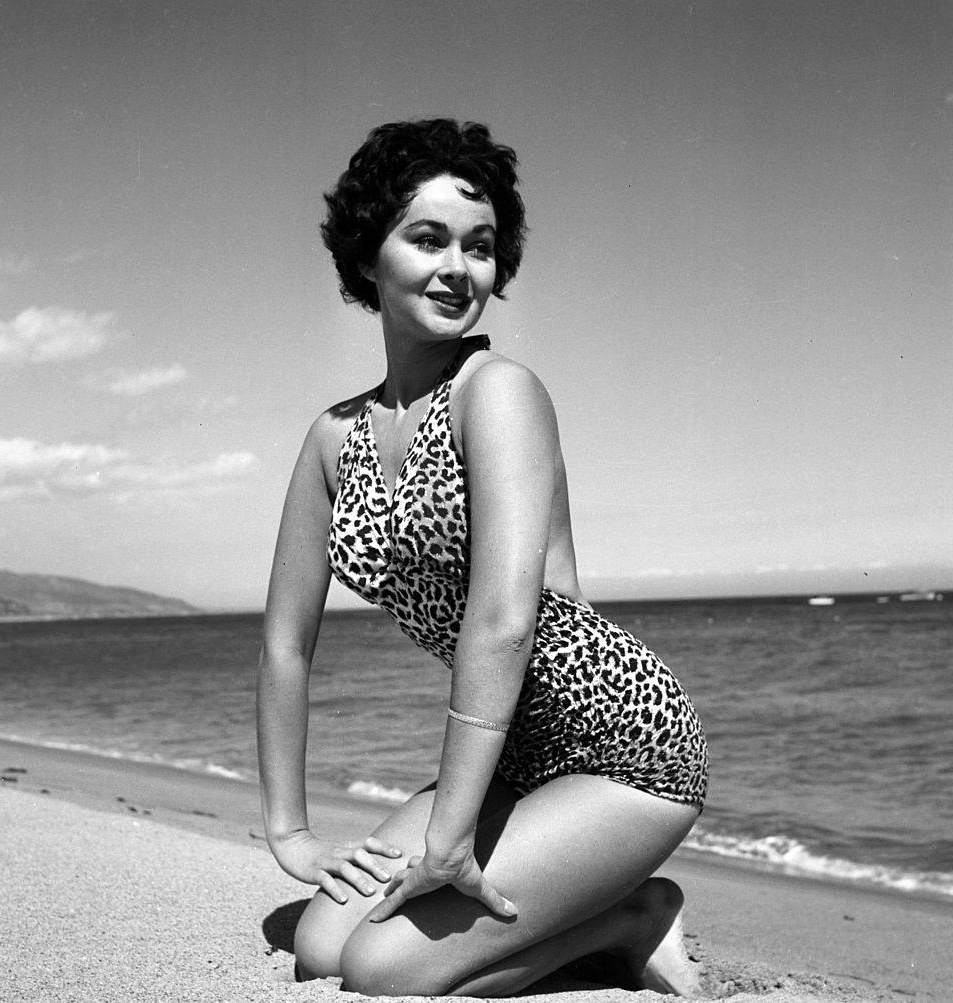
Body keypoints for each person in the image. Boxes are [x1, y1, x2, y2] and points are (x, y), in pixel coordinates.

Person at [257, 118, 709, 998]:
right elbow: (284, 643)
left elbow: (505, 620)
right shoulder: (330, 438)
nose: (458, 268)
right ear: (367, 254)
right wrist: (290, 830)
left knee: (383, 973)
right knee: (319, 944)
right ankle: (604, 909)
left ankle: (631, 914)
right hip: (512, 750)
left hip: (624, 747)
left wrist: (451, 839)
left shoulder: (497, 393)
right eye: (427, 238)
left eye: (482, 246)